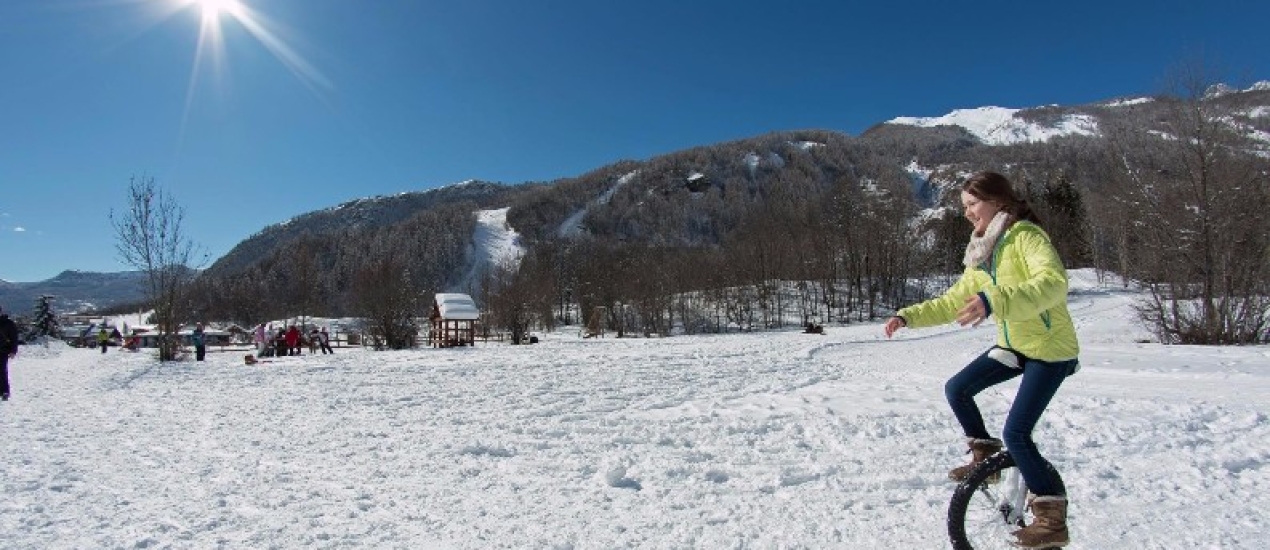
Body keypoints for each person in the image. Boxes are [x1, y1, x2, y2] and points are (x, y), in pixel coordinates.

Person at [883, 171, 1079, 549]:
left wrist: (995, 300)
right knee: (957, 388)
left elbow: (1053, 283)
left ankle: (1052, 517)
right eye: (965, 207)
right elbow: (953, 301)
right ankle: (984, 456)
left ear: (998, 201)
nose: (968, 213)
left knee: (1017, 434)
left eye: (973, 204)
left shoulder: (1026, 237)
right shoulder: (983, 251)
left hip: (1050, 350)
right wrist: (908, 315)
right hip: (1016, 345)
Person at [0, 306, 19, 401]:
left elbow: (14, 338)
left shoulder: (8, 323)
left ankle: (4, 391)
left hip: (2, 351)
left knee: (2, 371)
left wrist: (13, 351)